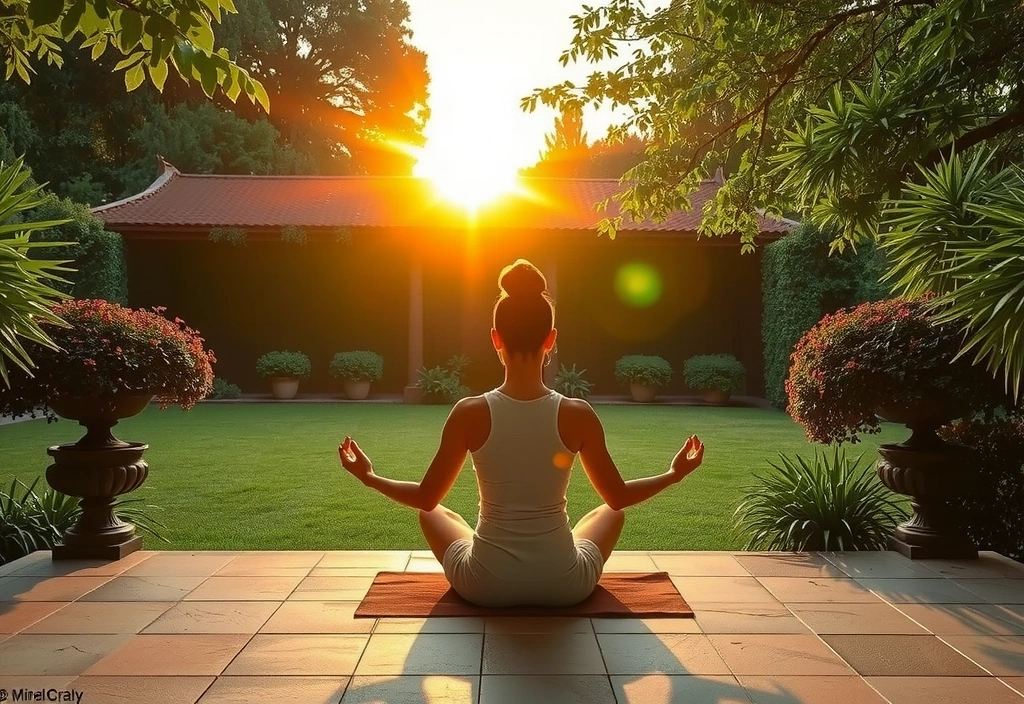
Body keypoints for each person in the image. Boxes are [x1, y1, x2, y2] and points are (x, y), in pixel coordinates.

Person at [339, 258, 704, 607]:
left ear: (496, 339)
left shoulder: (469, 412)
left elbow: (426, 498)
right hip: (564, 585)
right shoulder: (577, 414)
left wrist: (369, 477)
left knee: (432, 514)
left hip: (485, 585)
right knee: (611, 513)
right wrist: (674, 474)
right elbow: (618, 497)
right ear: (551, 339)